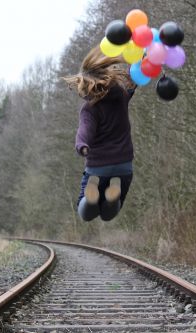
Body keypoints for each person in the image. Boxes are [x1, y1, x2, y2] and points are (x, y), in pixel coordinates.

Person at [64, 46, 137, 222]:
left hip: (98, 167)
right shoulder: (121, 95)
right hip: (123, 165)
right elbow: (134, 79)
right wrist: (140, 60)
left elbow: (85, 129)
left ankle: (91, 199)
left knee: (86, 213)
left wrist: (82, 146)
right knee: (109, 213)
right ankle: (113, 195)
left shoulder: (89, 109)